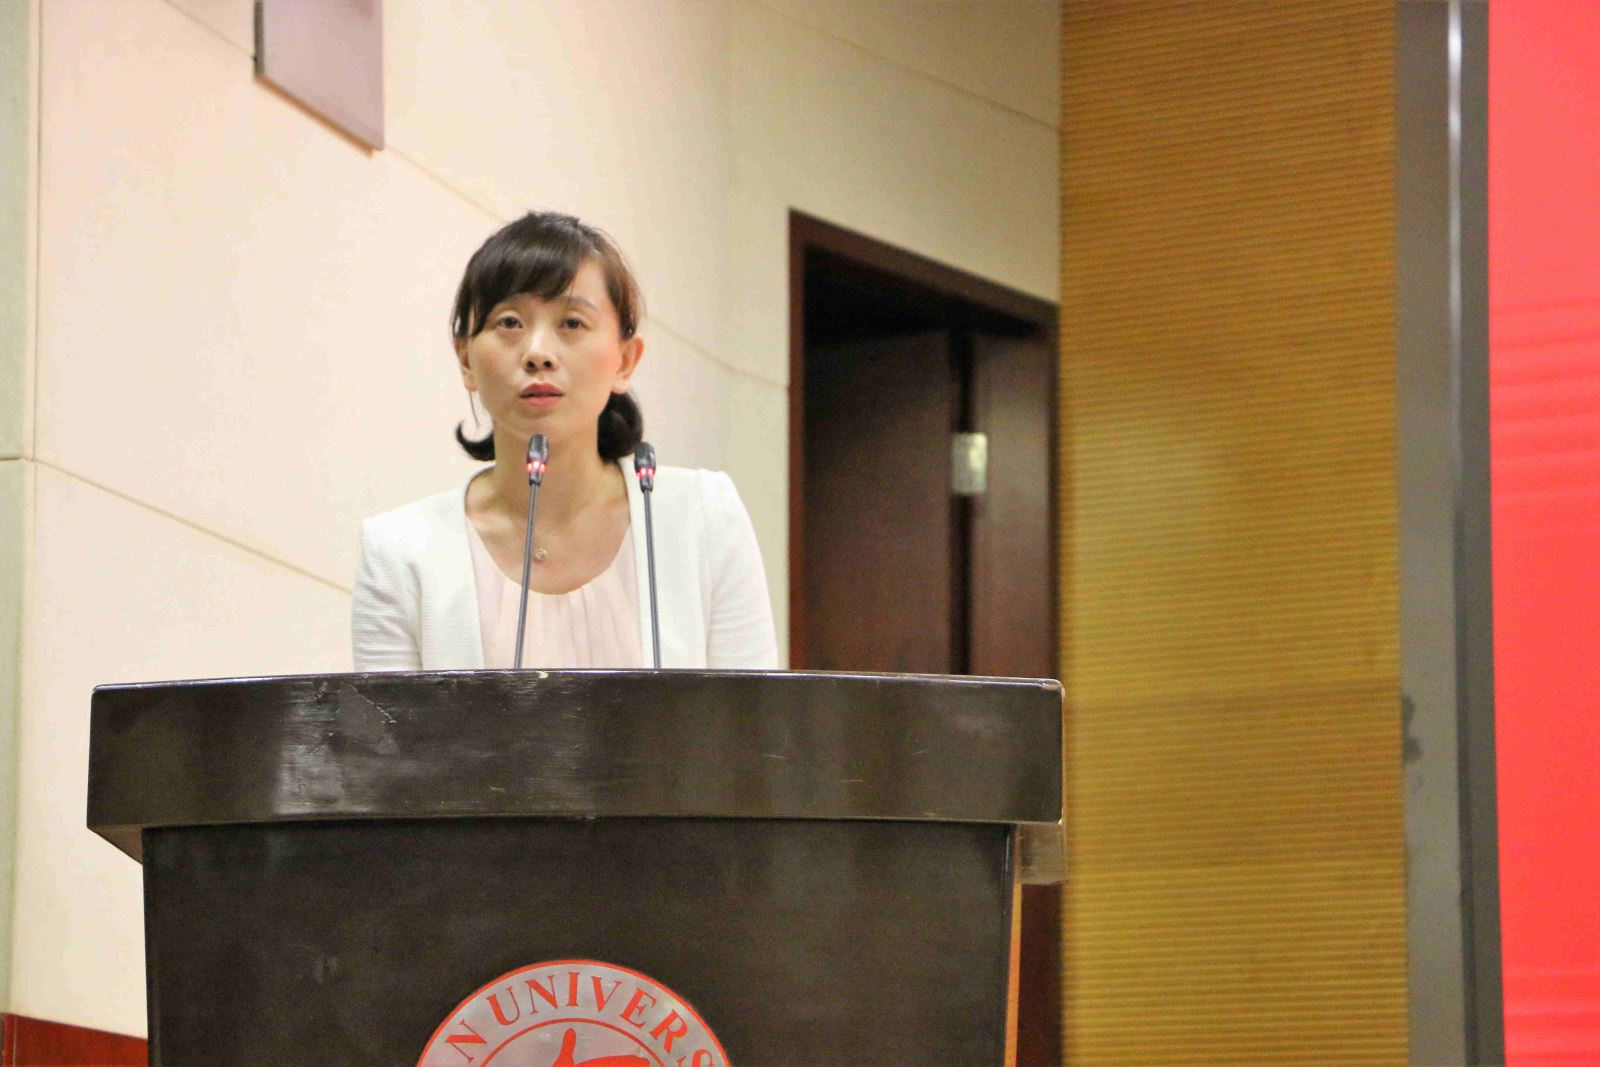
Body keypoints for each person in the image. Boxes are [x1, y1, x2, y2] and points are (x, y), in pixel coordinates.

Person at [351, 212, 777, 671]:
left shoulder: (706, 518)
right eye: (509, 322)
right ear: (466, 361)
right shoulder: (399, 552)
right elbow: (389, 723)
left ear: (625, 360)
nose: (538, 353)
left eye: (572, 323)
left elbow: (753, 715)